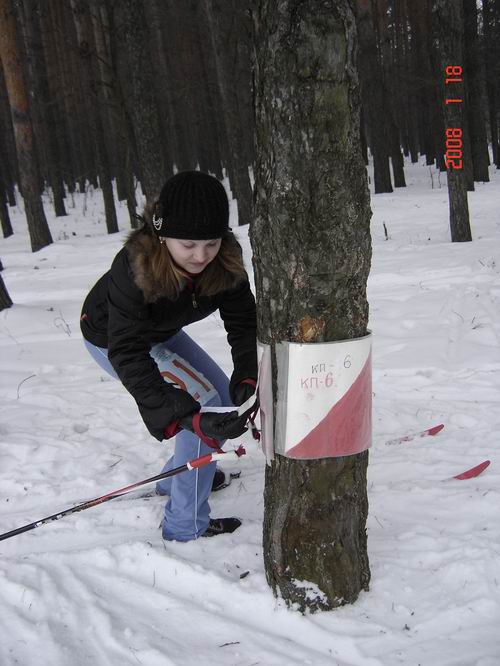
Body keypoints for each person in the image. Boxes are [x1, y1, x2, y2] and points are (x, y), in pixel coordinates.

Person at [80, 171, 258, 541]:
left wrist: (246, 373)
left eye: (210, 243)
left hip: (160, 332)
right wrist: (183, 416)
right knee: (204, 409)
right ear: (162, 235)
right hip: (112, 340)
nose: (201, 256)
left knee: (222, 401)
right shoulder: (136, 267)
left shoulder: (224, 259)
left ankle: (180, 477)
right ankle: (184, 525)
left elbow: (242, 319)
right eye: (188, 245)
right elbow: (127, 352)